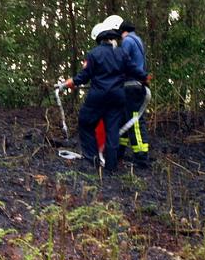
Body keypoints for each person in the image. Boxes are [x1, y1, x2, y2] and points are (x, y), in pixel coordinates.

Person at [62, 16, 143, 171]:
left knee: (86, 122)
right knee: (113, 131)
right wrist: (144, 78)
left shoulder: (94, 54)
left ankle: (92, 160)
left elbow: (84, 76)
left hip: (98, 97)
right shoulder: (121, 54)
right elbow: (134, 70)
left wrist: (72, 82)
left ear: (100, 38)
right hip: (117, 98)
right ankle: (111, 168)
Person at [117, 18, 151, 167]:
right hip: (137, 86)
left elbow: (122, 61)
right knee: (124, 120)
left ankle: (141, 156)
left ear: (123, 32)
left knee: (134, 121)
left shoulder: (127, 41)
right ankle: (118, 153)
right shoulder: (138, 41)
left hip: (131, 86)